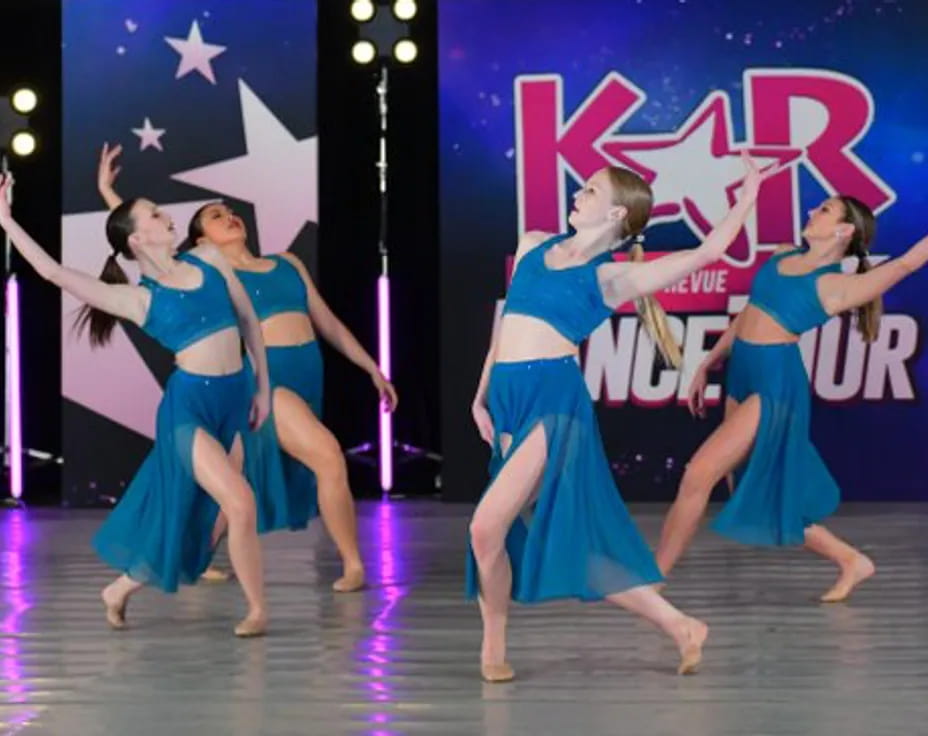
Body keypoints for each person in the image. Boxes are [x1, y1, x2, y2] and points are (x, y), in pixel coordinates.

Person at [466, 153, 778, 682]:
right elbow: (507, 323)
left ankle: (493, 646)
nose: (577, 194)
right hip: (509, 399)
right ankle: (681, 626)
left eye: (589, 191)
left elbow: (709, 251)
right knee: (555, 538)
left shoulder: (611, 277)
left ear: (614, 215)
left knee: (484, 526)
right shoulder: (532, 243)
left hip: (553, 403)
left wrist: (747, 194)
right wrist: (481, 395)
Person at [97, 143, 398, 592]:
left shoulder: (287, 263)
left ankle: (169, 566)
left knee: (230, 492)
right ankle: (353, 564)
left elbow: (329, 323)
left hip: (307, 379)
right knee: (328, 455)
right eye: (216, 216)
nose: (230, 216)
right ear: (199, 240)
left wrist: (372, 368)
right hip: (266, 382)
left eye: (231, 211)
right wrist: (108, 192)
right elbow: (142, 241)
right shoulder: (204, 267)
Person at [0, 173, 271, 636]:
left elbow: (248, 319)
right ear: (137, 236)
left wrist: (263, 388)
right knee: (241, 503)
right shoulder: (136, 298)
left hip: (237, 397)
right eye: (156, 214)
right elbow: (52, 272)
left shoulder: (209, 258)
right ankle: (257, 610)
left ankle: (119, 590)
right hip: (189, 411)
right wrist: (5, 219)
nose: (168, 217)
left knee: (201, 525)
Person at [656, 195, 928, 602]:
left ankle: (652, 575)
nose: (810, 213)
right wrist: (709, 360)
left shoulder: (838, 286)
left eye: (823, 211)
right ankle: (851, 559)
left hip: (774, 383)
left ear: (844, 230)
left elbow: (906, 262)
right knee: (752, 490)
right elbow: (751, 312)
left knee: (698, 473)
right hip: (742, 371)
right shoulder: (783, 254)